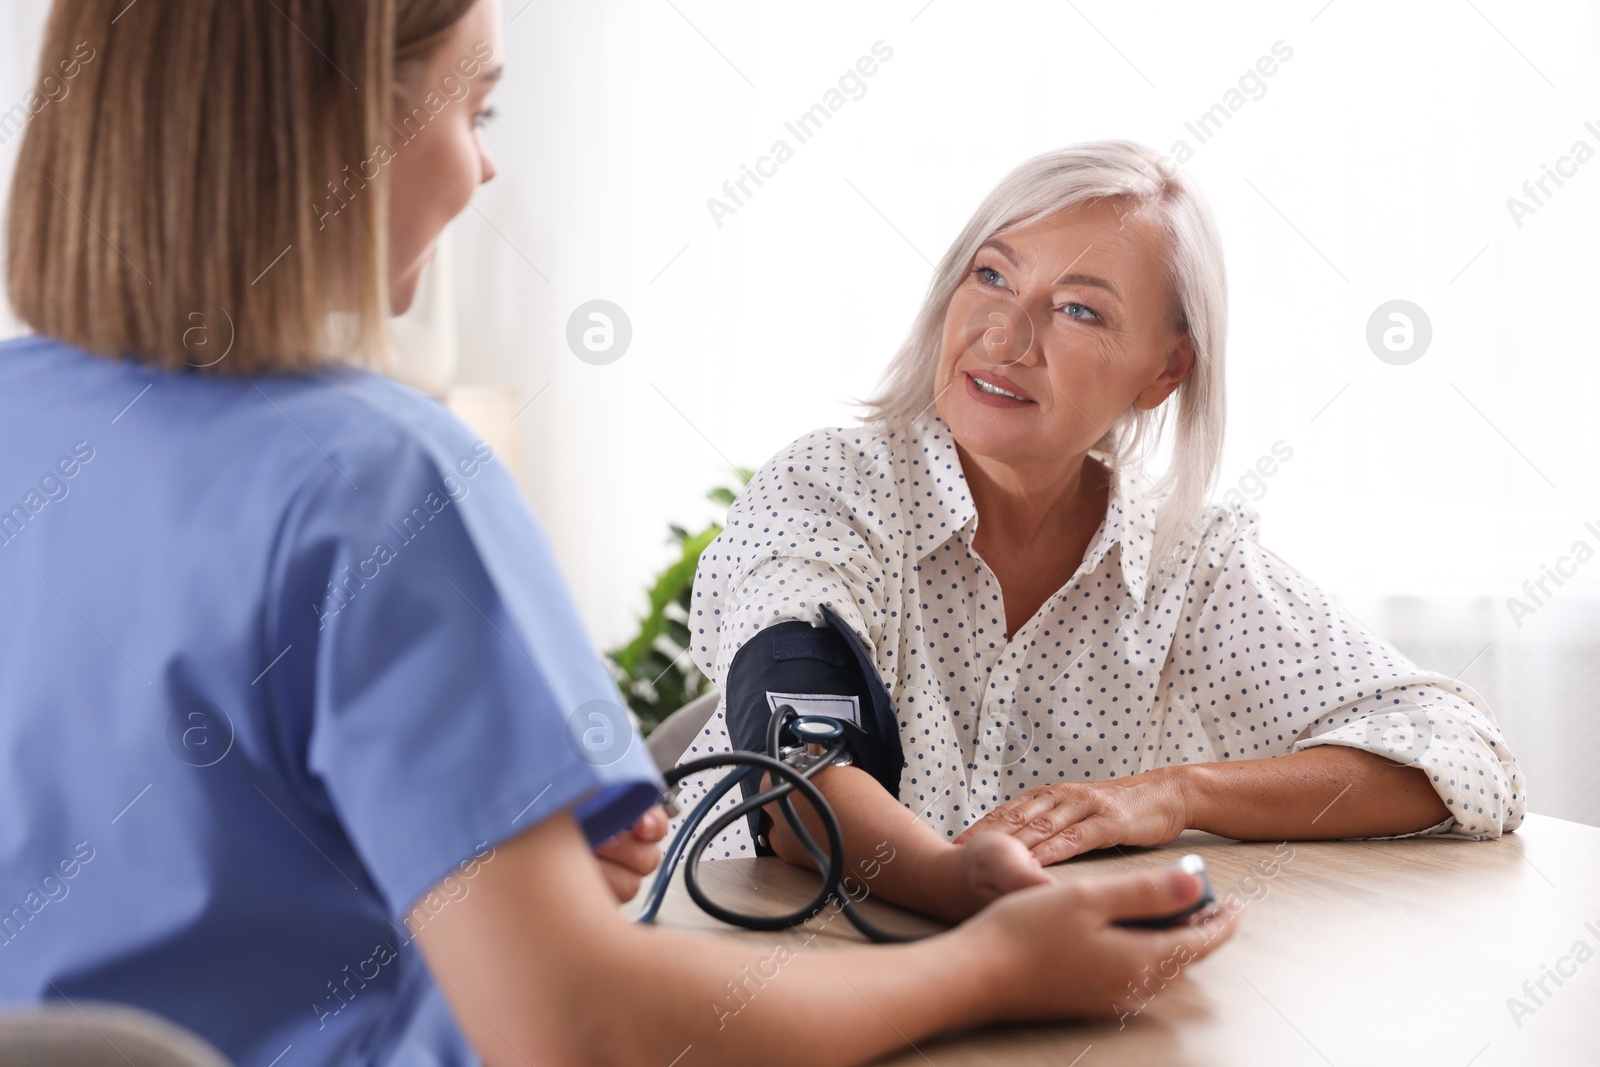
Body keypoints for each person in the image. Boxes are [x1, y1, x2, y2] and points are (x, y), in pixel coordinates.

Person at [0, 3, 1239, 1064]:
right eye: (474, 113)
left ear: (1161, 374)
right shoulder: (377, 483)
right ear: (334, 130)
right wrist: (994, 969)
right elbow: (575, 1024)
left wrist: (491, 874)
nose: (486, 171)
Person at [681, 140, 1527, 922]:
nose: (1005, 334)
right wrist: (971, 895)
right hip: (742, 991)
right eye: (992, 276)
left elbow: (1456, 754)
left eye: (1079, 311)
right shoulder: (830, 490)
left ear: (1164, 371)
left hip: (1020, 1008)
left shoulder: (1186, 563)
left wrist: (1175, 794)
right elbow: (791, 766)